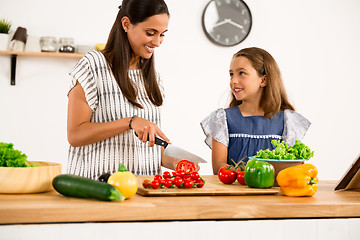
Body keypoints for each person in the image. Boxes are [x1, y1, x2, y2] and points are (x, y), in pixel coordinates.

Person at [67, 0, 180, 179]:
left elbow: (145, 147)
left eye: (162, 34)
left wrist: (174, 163)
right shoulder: (93, 65)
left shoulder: (153, 78)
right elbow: (75, 135)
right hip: (101, 187)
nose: (157, 42)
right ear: (126, 24)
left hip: (143, 189)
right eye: (151, 33)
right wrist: (130, 121)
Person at [200, 47, 311, 174]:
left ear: (263, 80)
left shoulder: (288, 121)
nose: (233, 81)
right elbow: (218, 166)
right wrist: (247, 171)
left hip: (273, 193)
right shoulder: (222, 119)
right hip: (235, 192)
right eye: (231, 74)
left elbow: (288, 167)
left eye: (241, 73)